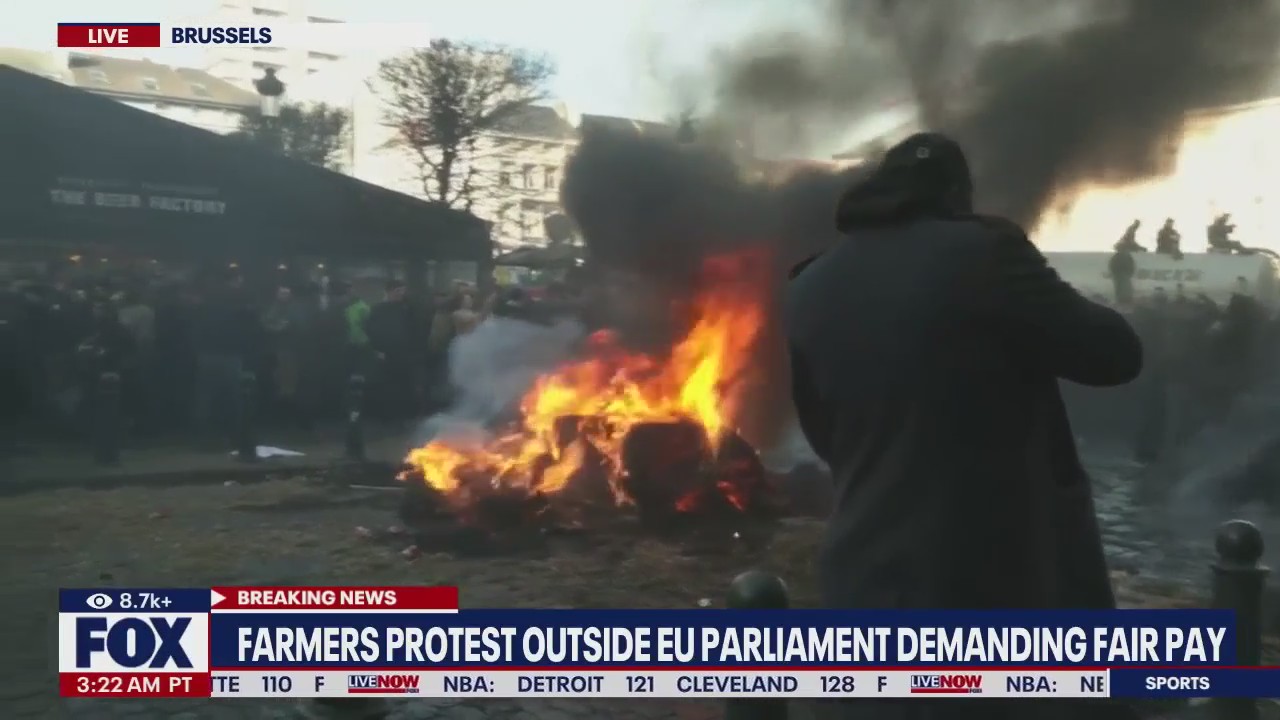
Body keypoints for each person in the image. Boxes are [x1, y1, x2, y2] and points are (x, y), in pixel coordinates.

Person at [785, 133, 1142, 720]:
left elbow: (824, 433)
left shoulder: (807, 285)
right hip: (990, 589)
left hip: (864, 582)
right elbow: (1114, 357)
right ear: (955, 194)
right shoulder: (985, 252)